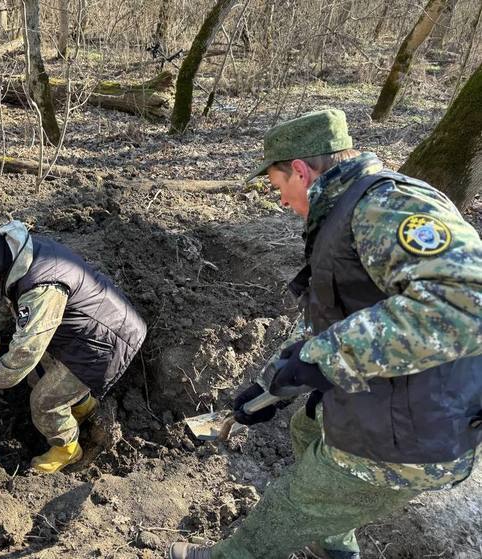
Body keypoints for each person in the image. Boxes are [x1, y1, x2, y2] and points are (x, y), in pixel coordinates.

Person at [169, 109, 482, 559]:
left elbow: (465, 307)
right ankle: (332, 546)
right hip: (392, 396)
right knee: (306, 425)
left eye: (279, 187)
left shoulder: (384, 206)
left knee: (291, 504)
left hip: (415, 427)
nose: (280, 201)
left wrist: (324, 358)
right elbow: (331, 317)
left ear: (300, 170)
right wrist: (268, 386)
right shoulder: (348, 210)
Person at [0, 220, 147, 474]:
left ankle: (67, 450)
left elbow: (28, 349)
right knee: (42, 378)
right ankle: (83, 408)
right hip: (86, 327)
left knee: (44, 401)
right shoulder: (18, 253)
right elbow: (6, 293)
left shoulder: (41, 288)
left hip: (104, 342)